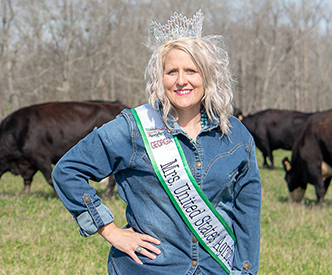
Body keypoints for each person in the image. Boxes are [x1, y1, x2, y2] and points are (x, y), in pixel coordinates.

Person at [51, 10, 261, 275]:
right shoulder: (134, 129)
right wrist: (110, 231)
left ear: (207, 77)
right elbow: (67, 170)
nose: (181, 80)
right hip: (148, 269)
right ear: (160, 79)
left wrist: (245, 270)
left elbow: (248, 211)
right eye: (172, 71)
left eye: (191, 71)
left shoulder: (235, 135)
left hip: (214, 269)